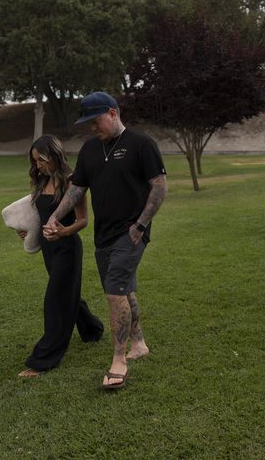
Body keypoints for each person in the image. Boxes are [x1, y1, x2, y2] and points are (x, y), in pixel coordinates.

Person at [45, 91, 167, 390]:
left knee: (114, 291)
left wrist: (140, 226)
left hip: (131, 232)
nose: (92, 128)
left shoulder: (141, 144)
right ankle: (138, 343)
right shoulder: (89, 150)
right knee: (124, 289)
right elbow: (77, 190)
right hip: (104, 235)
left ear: (113, 113)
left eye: (96, 120)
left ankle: (119, 359)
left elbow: (159, 187)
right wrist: (55, 217)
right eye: (88, 123)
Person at [17, 134, 104, 377]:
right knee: (68, 295)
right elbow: (41, 216)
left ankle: (43, 360)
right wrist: (29, 231)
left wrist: (64, 230)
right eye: (35, 161)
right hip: (48, 249)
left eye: (42, 160)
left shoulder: (72, 181)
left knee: (55, 300)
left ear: (55, 155)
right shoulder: (42, 181)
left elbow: (83, 220)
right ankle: (93, 329)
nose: (38, 166)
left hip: (67, 249)